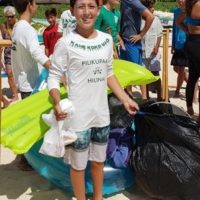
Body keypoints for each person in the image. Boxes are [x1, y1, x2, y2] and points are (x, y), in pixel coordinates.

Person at [47, 0, 139, 199]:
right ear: (72, 11)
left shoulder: (106, 40)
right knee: (78, 166)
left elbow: (109, 74)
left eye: (91, 6)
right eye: (81, 7)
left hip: (101, 116)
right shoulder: (65, 42)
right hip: (78, 119)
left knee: (98, 162)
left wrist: (124, 99)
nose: (86, 12)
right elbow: (53, 76)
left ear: (98, 10)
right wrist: (56, 101)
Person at [12, 0, 51, 170]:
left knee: (28, 120)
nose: (37, 6)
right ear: (30, 4)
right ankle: (24, 158)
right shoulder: (27, 30)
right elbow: (37, 53)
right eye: (35, 3)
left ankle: (24, 156)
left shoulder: (17, 27)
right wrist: (56, 70)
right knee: (31, 123)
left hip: (23, 79)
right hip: (31, 82)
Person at [119, 0, 154, 99]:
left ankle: (144, 98)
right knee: (126, 72)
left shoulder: (132, 0)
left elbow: (150, 17)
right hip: (124, 41)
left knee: (138, 71)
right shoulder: (123, 2)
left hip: (131, 42)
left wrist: (141, 35)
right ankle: (129, 97)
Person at [176, 0, 200, 119]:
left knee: (192, 77)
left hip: (191, 42)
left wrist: (188, 30)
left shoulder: (189, 5)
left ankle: (189, 108)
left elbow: (178, 22)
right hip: (198, 43)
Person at [141, 0, 163, 101]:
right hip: (143, 51)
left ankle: (160, 96)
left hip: (153, 51)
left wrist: (157, 47)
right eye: (150, 7)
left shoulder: (156, 19)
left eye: (153, 7)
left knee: (155, 74)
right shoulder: (140, 20)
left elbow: (159, 35)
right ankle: (147, 97)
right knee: (144, 75)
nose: (152, 9)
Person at [0, 6, 19, 102]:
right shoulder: (3, 26)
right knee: (9, 73)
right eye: (7, 17)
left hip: (19, 52)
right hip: (8, 53)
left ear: (15, 16)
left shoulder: (19, 25)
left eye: (11, 16)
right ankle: (15, 95)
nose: (9, 18)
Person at [171, 0, 188, 98]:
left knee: (181, 69)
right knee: (176, 68)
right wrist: (173, 44)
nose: (180, 1)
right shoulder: (176, 11)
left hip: (186, 43)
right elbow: (174, 27)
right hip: (177, 43)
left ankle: (177, 91)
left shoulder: (190, 11)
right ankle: (190, 82)